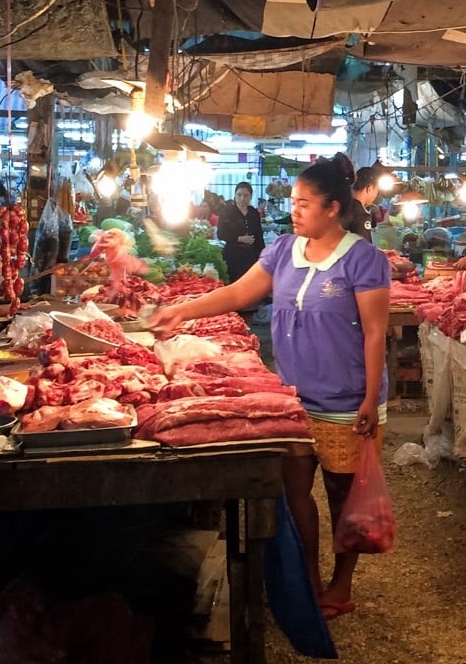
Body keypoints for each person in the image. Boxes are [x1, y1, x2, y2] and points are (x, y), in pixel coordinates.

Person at [148, 154, 390, 619]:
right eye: (293, 202)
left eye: (303, 203)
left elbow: (376, 331)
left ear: (333, 208)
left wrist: (369, 398)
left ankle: (341, 584)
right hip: (293, 397)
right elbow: (238, 294)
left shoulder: (364, 258)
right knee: (295, 490)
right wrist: (182, 312)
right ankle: (308, 577)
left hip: (346, 399)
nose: (293, 209)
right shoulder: (282, 250)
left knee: (344, 495)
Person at [217, 181, 266, 283]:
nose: (242, 198)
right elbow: (221, 234)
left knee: (250, 284)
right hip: (232, 255)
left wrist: (263, 256)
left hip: (250, 255)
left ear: (251, 197)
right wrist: (239, 239)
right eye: (239, 195)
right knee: (234, 284)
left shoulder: (254, 213)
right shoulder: (227, 211)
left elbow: (259, 235)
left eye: (246, 195)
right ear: (234, 195)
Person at [347, 168, 379, 239]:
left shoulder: (343, 204)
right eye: (377, 190)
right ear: (369, 189)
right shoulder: (360, 215)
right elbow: (364, 248)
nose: (376, 195)